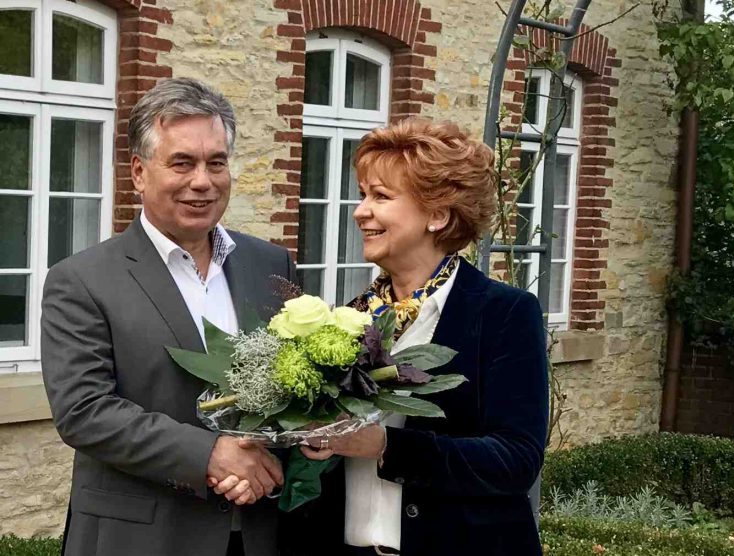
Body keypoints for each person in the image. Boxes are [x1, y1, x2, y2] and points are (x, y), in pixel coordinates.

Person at [41, 78, 292, 556]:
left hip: (258, 531)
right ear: (138, 172)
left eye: (216, 162)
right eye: (182, 163)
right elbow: (84, 411)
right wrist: (211, 455)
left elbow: (296, 386)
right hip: (141, 537)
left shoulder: (272, 266)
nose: (203, 180)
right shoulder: (81, 280)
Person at [277, 118, 549, 556]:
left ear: (438, 215)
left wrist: (386, 446)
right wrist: (313, 443)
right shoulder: (347, 319)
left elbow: (516, 460)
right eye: (364, 194)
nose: (361, 210)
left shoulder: (503, 313)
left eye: (381, 197)